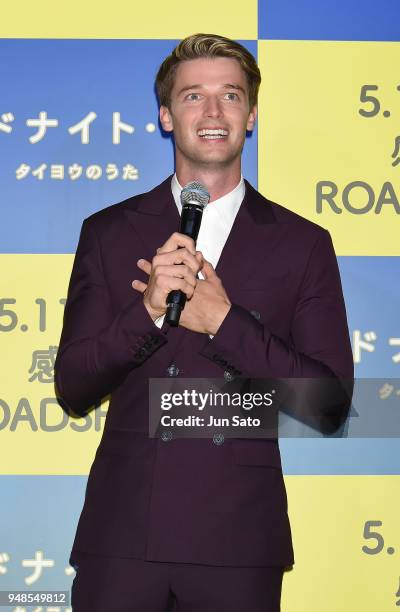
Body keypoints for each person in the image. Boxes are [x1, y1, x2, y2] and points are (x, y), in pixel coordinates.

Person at [55, 33, 354, 612]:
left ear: (252, 114)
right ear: (167, 116)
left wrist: (223, 321)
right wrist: (145, 314)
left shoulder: (303, 244)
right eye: (193, 96)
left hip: (238, 540)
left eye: (230, 96)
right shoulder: (109, 232)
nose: (213, 112)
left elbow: (329, 401)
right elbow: (73, 386)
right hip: (123, 540)